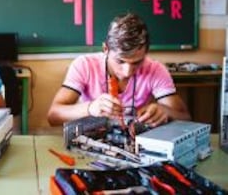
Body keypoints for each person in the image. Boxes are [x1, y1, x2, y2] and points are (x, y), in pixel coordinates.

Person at [47, 13, 190, 127]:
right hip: (93, 141)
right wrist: (90, 108)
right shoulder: (84, 65)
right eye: (120, 61)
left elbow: (186, 118)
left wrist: (166, 112)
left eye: (137, 62)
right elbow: (53, 116)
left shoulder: (156, 69)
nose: (128, 71)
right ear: (105, 49)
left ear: (146, 52)